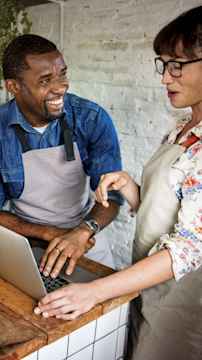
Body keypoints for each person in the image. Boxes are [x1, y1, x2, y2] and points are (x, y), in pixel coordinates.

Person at [34, 6, 202, 360]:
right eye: (163, 64)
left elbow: (187, 248)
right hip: (150, 289)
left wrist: (95, 291)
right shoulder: (181, 129)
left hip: (185, 303)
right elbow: (165, 209)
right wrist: (128, 186)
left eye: (177, 66)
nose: (165, 78)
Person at [0, 34, 123, 277]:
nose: (61, 87)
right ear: (13, 87)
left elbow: (113, 196)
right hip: (25, 243)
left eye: (62, 74)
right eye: (45, 81)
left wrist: (83, 230)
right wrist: (46, 233)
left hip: (86, 238)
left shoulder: (90, 118)